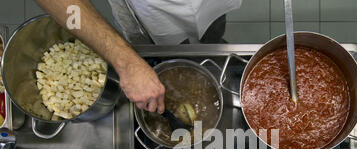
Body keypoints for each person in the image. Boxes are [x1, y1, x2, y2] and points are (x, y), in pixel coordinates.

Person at [36, 0, 242, 113]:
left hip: (208, 3)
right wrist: (126, 63)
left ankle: (208, 44)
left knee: (212, 29)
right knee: (152, 42)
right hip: (148, 8)